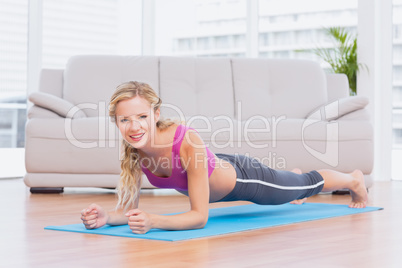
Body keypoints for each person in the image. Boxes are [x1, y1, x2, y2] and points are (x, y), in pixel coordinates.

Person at [81, 81, 368, 234]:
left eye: (142, 117)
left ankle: (353, 179)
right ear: (116, 122)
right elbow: (128, 211)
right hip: (218, 166)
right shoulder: (134, 149)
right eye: (124, 120)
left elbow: (199, 217)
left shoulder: (186, 140)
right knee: (290, 184)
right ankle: (289, 181)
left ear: (156, 114)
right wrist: (107, 218)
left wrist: (154, 221)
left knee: (304, 183)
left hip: (247, 179)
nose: (133, 127)